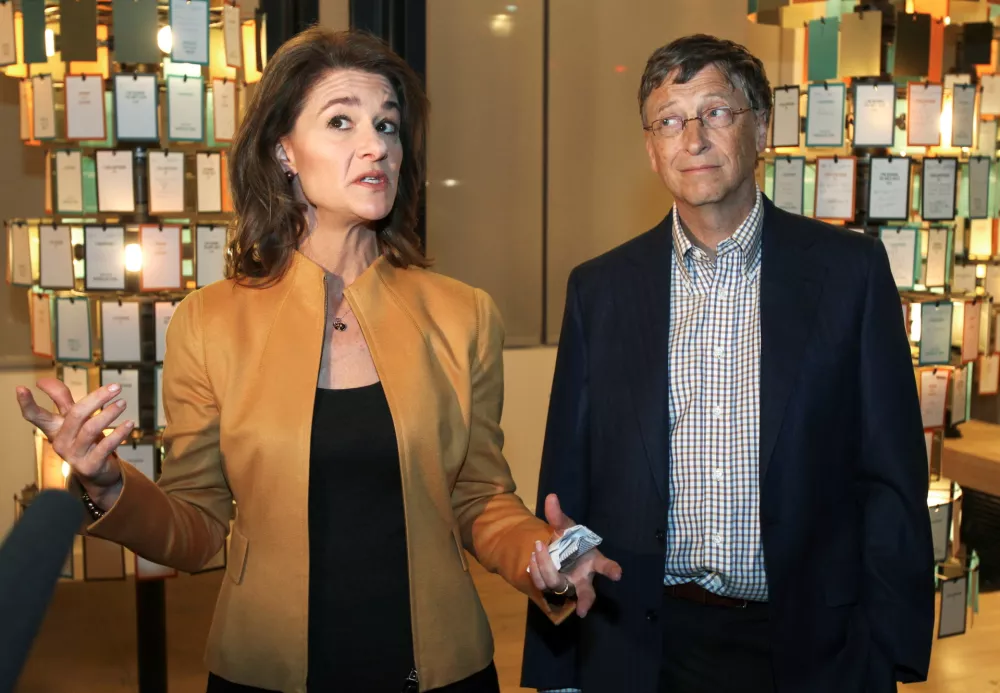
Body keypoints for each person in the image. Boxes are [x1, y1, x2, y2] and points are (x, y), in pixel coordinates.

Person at [14, 28, 620, 693]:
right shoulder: (209, 322)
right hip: (263, 671)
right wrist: (108, 486)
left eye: (388, 125)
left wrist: (542, 552)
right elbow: (197, 526)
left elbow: (478, 497)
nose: (377, 144)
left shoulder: (462, 314)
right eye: (341, 121)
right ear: (284, 151)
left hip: (442, 670)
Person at [521, 33, 934, 693]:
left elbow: (891, 478)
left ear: (761, 127)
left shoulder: (848, 274)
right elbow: (566, 486)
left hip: (813, 648)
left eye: (715, 112)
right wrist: (560, 663)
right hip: (643, 644)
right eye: (669, 121)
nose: (694, 138)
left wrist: (889, 651)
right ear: (651, 149)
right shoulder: (599, 289)